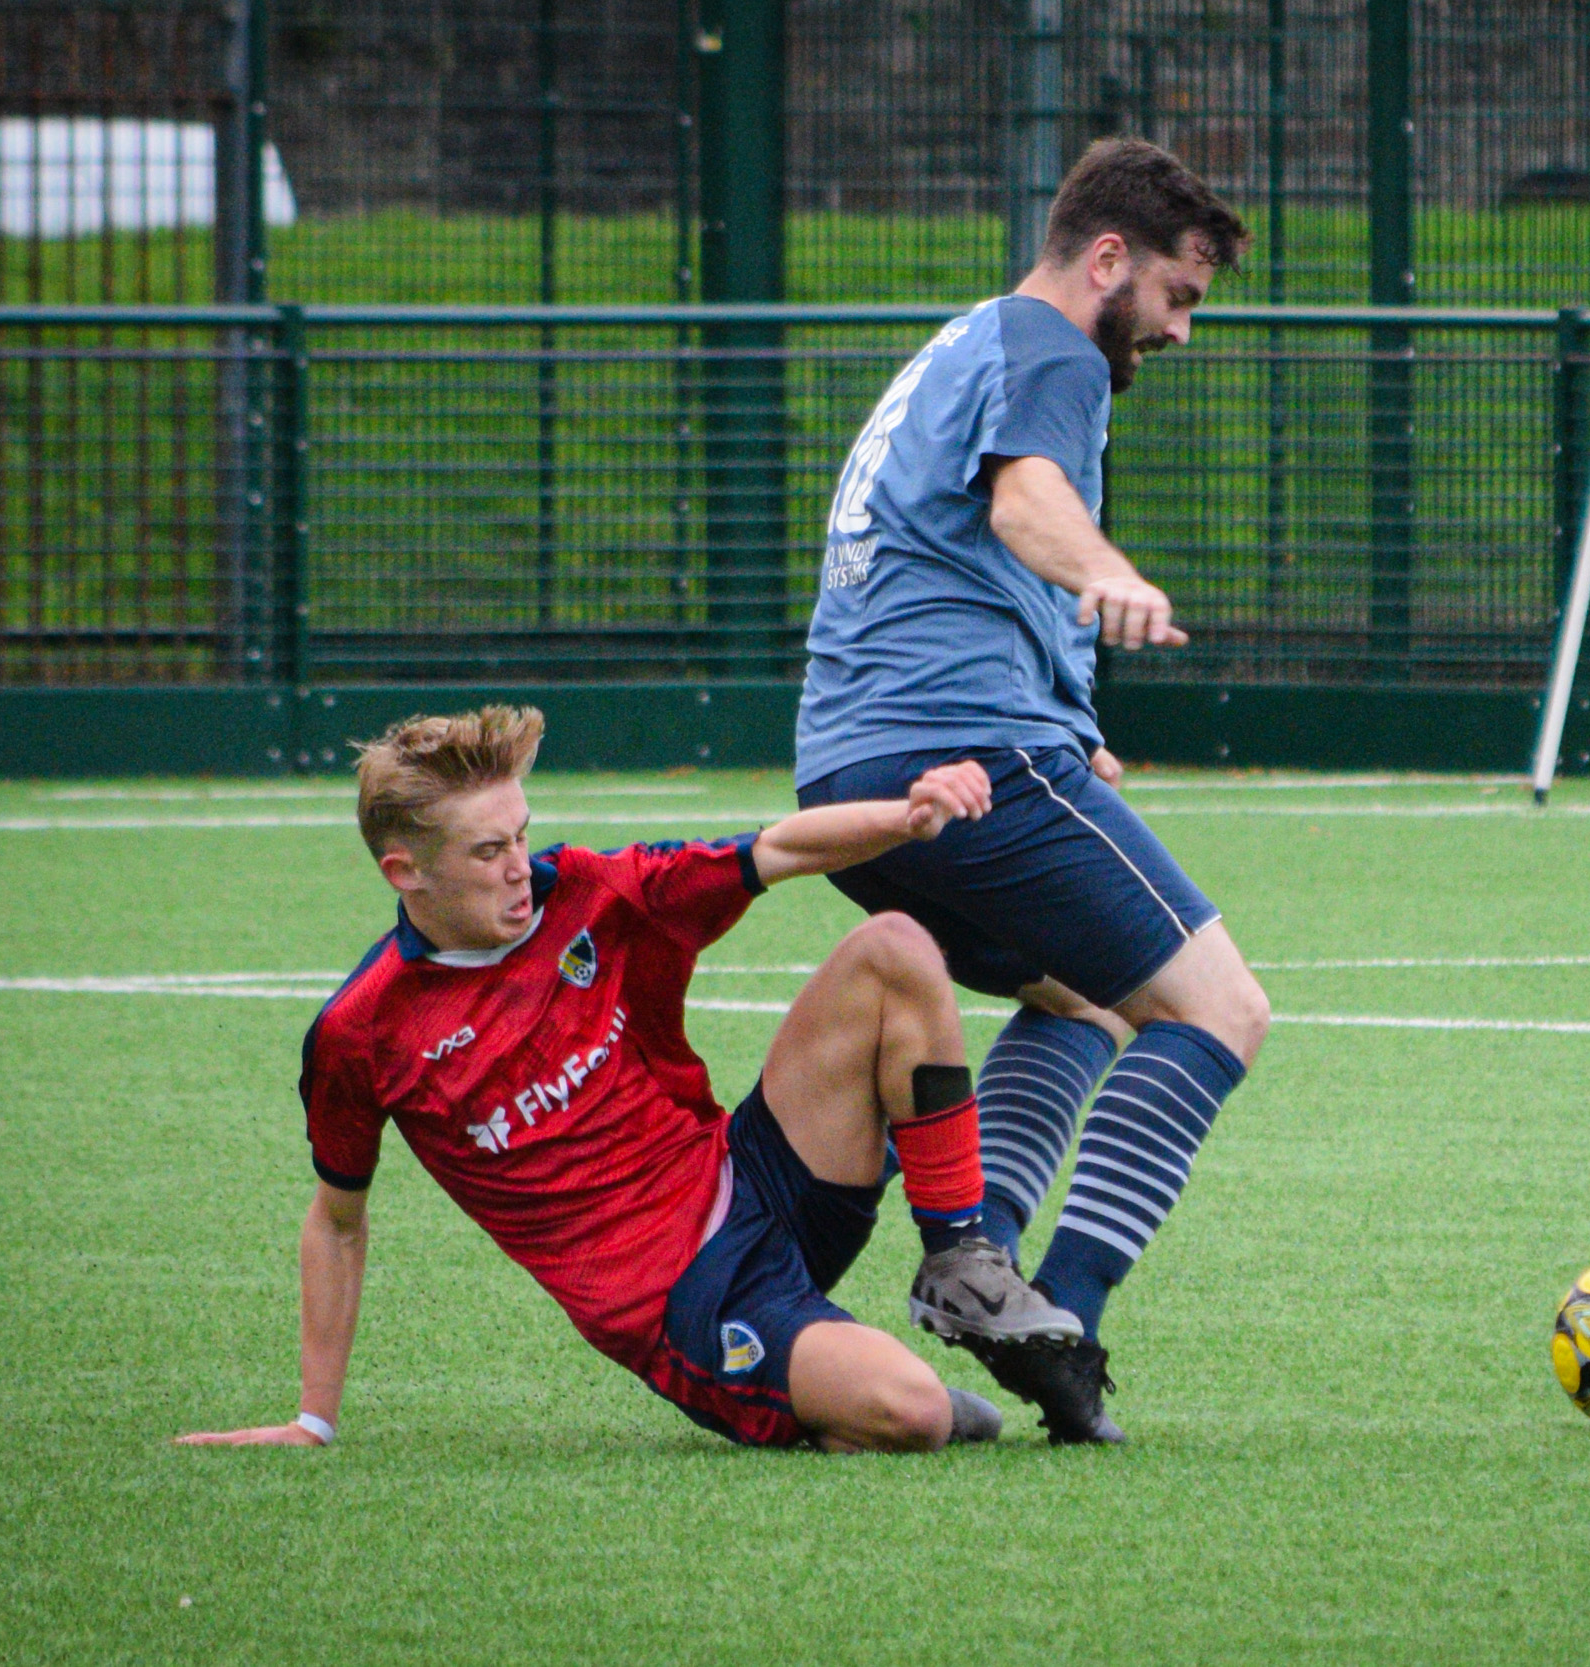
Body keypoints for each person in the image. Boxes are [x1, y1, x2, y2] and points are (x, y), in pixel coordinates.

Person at [175, 705, 1079, 1456]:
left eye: (521, 835)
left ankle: (961, 1260)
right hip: (684, 1299)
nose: (519, 867)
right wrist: (312, 1420)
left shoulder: (588, 891)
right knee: (913, 1412)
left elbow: (776, 850)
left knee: (894, 949)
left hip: (759, 1171)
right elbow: (336, 1221)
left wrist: (907, 817)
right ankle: (873, 1386)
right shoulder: (363, 1030)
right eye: (488, 851)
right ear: (403, 871)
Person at [794, 138, 1269, 1443]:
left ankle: (980, 1261)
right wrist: (1113, 572)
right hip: (968, 751)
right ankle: (1066, 1305)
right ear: (1107, 258)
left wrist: (1078, 718)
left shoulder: (965, 346)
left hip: (857, 769)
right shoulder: (1052, 349)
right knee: (1221, 1008)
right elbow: (1025, 508)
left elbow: (954, 542)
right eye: (1178, 294)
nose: (1178, 328)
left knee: (1080, 997)